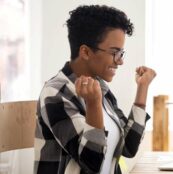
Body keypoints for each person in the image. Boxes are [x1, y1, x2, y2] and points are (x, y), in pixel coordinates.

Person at [34, 5, 156, 174]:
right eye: (115, 52)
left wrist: (142, 88)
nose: (120, 61)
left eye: (121, 53)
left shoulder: (101, 88)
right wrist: (93, 104)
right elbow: (92, 163)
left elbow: (128, 148)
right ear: (85, 51)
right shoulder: (55, 94)